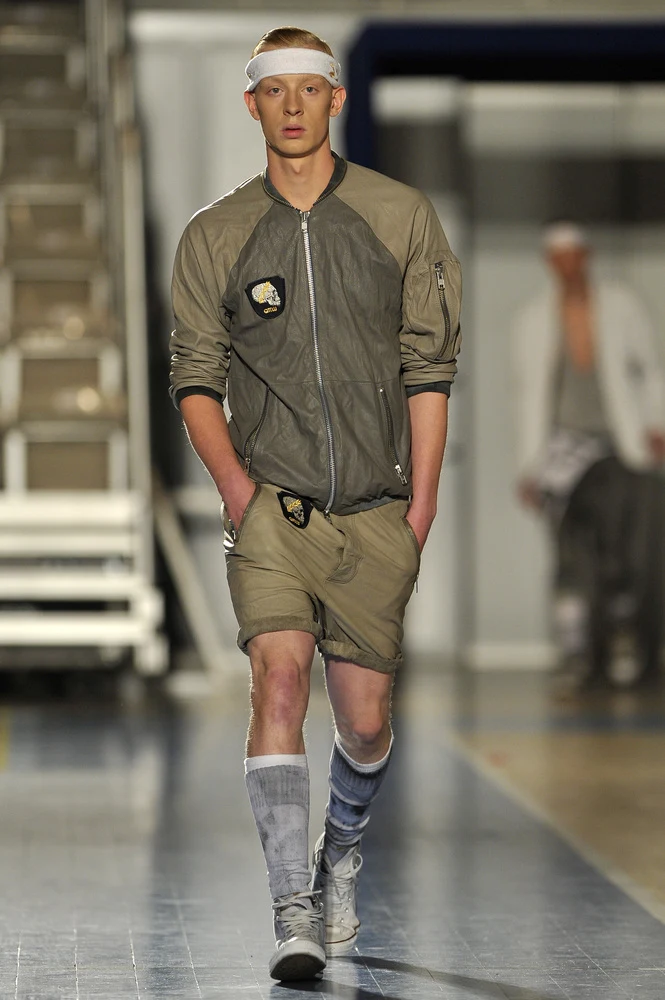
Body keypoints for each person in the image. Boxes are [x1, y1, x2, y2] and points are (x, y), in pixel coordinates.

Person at [169, 25, 461, 982]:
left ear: (334, 99)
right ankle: (290, 907)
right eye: (274, 90)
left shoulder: (398, 215)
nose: (291, 105)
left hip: (377, 512)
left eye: (309, 88)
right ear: (250, 104)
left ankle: (340, 851)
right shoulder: (215, 235)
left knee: (365, 721)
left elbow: (429, 368)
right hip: (274, 513)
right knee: (281, 682)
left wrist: (419, 510)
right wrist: (239, 492)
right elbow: (195, 379)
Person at [513, 221, 665, 691]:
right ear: (549, 263)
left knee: (636, 557)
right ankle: (584, 658)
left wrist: (657, 424)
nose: (568, 266)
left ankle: (639, 656)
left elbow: (650, 368)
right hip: (564, 453)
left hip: (623, 448)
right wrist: (529, 467)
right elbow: (527, 397)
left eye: (574, 256)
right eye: (558, 258)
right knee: (575, 562)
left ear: (587, 257)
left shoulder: (621, 306)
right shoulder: (534, 319)